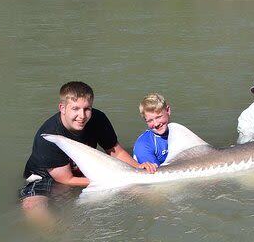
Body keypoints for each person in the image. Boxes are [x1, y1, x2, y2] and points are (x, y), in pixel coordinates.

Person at [19, 81, 157, 217]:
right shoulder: (49, 135)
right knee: (32, 206)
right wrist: (110, 180)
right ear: (62, 108)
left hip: (84, 172)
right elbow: (66, 179)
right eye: (75, 109)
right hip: (46, 176)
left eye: (87, 109)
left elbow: (116, 151)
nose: (82, 116)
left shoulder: (98, 119)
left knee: (143, 190)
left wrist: (138, 168)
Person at [133, 93, 171, 166]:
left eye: (158, 117)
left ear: (168, 110)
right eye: (150, 121)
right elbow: (157, 175)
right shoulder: (143, 145)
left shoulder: (180, 133)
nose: (156, 124)